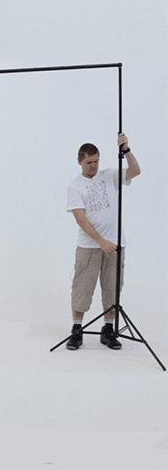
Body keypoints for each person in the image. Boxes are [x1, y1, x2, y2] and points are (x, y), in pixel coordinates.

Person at [66, 133, 141, 350]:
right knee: (82, 288)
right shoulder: (75, 187)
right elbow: (80, 218)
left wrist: (126, 150)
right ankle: (77, 330)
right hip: (89, 246)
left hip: (115, 245)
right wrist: (100, 241)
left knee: (112, 288)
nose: (93, 166)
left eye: (96, 161)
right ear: (79, 161)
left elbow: (135, 171)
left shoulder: (109, 175)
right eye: (89, 162)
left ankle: (108, 330)